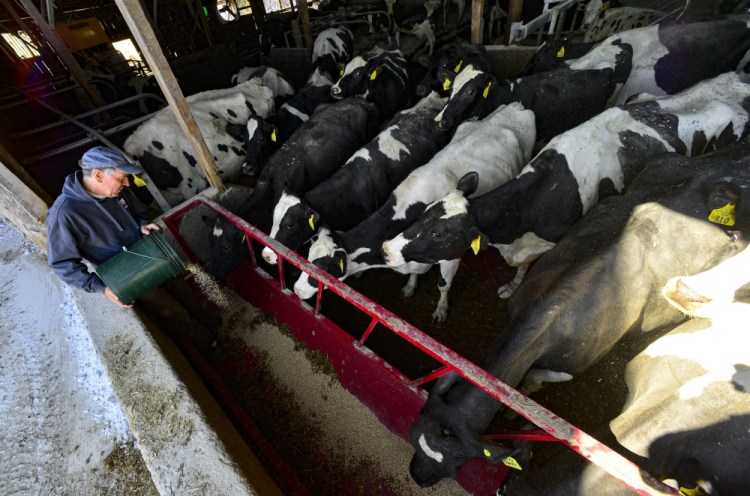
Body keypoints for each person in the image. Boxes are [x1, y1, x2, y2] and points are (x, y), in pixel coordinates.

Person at [46, 146, 224, 360]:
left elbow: (140, 211)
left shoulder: (116, 190)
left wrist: (143, 224)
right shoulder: (64, 214)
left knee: (180, 286)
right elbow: (62, 264)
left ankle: (202, 316)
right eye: (122, 178)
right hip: (129, 272)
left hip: (151, 251)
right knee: (170, 311)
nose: (127, 183)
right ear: (99, 175)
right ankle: (206, 343)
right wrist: (102, 288)